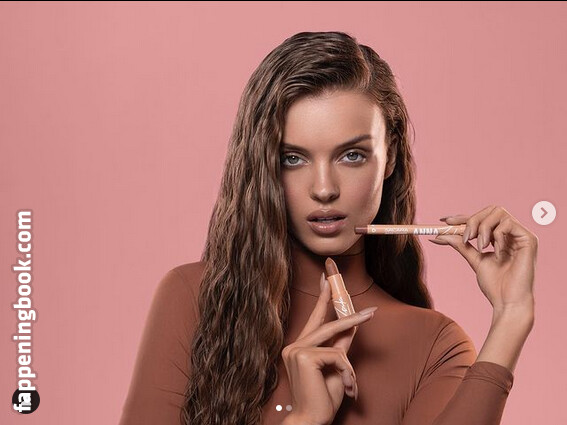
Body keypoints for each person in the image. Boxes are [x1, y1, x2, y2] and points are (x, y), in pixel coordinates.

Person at [118, 31, 537, 425]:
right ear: (263, 165)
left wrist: (512, 315)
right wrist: (302, 419)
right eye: (293, 158)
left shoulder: (434, 346)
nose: (323, 189)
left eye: (351, 155)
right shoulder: (194, 297)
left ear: (390, 156)